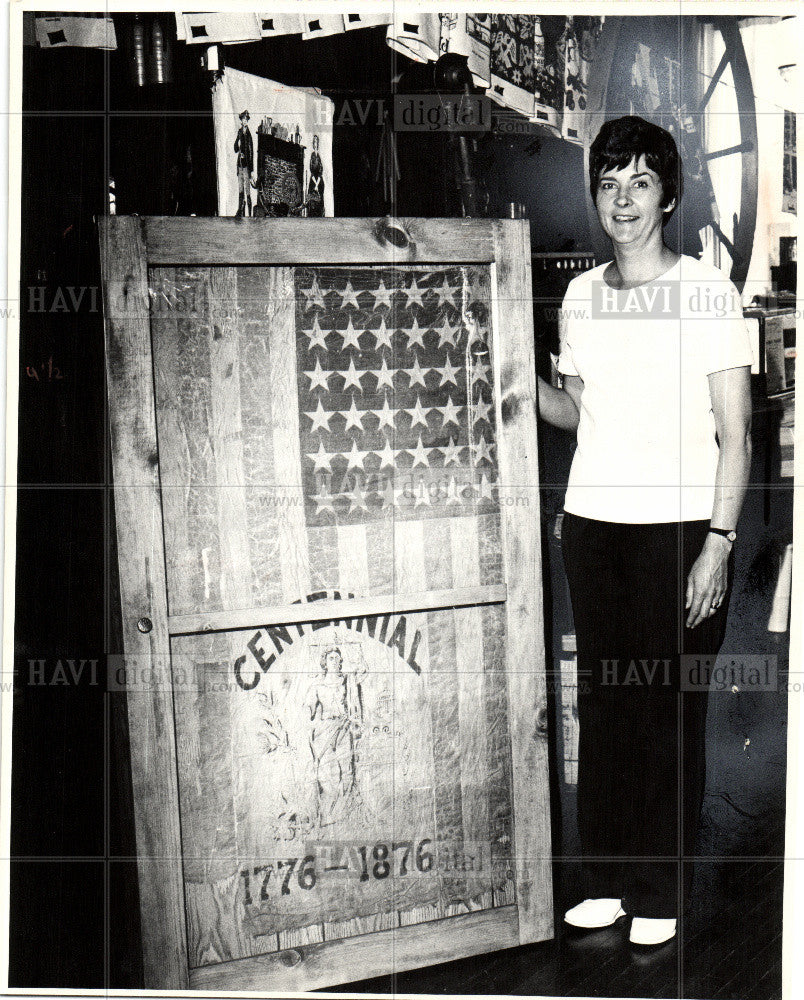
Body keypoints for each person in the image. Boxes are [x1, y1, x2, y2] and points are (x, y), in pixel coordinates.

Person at [537, 116, 753, 946]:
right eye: (607, 183)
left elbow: (736, 434)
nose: (621, 200)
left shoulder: (707, 292)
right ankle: (608, 878)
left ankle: (660, 890)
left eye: (639, 183)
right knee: (608, 704)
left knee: (666, 715)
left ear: (667, 196)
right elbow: (579, 412)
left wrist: (720, 543)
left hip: (680, 531)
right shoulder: (582, 297)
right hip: (595, 528)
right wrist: (515, 381)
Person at [234, 109, 254, 217]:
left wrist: (251, 170)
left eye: (246, 120)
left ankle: (250, 214)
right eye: (243, 120)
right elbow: (235, 149)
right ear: (241, 121)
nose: (244, 121)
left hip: (246, 166)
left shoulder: (249, 135)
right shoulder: (239, 132)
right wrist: (237, 142)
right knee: (240, 190)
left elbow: (251, 153)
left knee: (247, 191)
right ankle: (240, 212)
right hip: (239, 166)